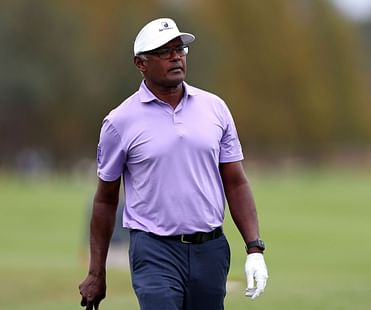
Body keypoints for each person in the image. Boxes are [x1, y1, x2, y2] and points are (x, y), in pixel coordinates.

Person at [78, 17, 268, 310]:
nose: (175, 56)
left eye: (179, 49)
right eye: (164, 51)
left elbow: (236, 181)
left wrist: (255, 248)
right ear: (141, 63)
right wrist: (96, 271)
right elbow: (105, 200)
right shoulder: (119, 122)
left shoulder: (215, 108)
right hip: (154, 250)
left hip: (211, 250)